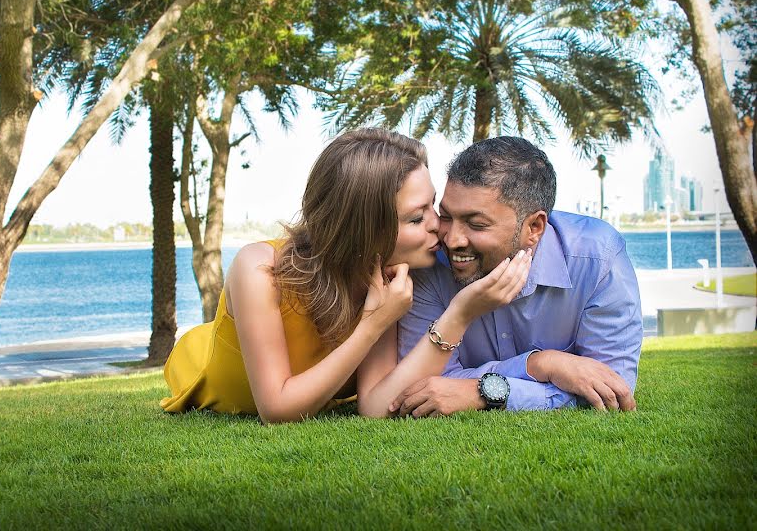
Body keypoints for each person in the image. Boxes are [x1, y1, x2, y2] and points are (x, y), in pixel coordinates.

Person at [160, 128, 532, 422]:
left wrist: (459, 314)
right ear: (363, 228)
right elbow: (277, 409)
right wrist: (372, 325)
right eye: (417, 218)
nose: (441, 228)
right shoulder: (260, 270)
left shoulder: (394, 278)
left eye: (432, 207)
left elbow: (379, 404)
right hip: (202, 368)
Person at [392, 136, 643, 415]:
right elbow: (421, 389)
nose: (451, 240)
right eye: (447, 216)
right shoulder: (430, 263)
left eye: (475, 223)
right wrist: (542, 365)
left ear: (534, 227)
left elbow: (610, 392)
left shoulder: (598, 259)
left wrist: (481, 393)